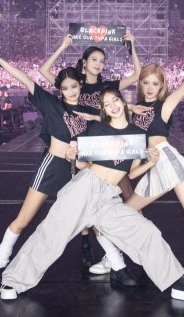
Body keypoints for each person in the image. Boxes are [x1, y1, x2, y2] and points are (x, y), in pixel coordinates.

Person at [0, 87, 184, 304]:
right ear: (104, 110)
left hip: (109, 196)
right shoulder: (97, 129)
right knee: (51, 235)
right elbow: (84, 164)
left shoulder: (137, 134)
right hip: (85, 189)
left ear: (123, 102)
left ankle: (178, 283)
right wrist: (72, 156)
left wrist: (151, 162)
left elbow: (130, 173)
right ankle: (13, 280)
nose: (112, 106)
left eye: (114, 100)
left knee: (146, 232)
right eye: (106, 104)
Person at [107, 43, 184, 294]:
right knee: (124, 213)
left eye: (155, 83)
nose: (150, 87)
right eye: (146, 82)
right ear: (140, 84)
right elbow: (108, 109)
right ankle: (115, 258)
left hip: (168, 161)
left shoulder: (164, 106)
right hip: (152, 164)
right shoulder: (133, 112)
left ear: (161, 86)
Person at [0, 44, 100, 286]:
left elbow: (113, 117)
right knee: (24, 219)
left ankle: (111, 261)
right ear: (60, 90)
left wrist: (97, 117)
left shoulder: (88, 111)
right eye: (65, 88)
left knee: (93, 217)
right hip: (52, 166)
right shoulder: (51, 103)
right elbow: (24, 77)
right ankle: (0, 262)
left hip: (77, 169)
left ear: (80, 85)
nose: (70, 92)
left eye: (74, 87)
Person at [38, 31, 143, 264]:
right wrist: (63, 46)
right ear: (84, 62)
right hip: (83, 146)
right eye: (94, 59)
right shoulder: (76, 84)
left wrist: (132, 46)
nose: (98, 64)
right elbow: (44, 71)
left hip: (107, 145)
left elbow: (137, 75)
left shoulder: (107, 86)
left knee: (127, 193)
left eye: (102, 61)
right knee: (86, 198)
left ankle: (136, 242)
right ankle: (86, 245)